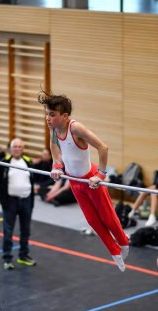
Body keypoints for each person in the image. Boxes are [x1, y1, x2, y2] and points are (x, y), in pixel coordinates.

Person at [38, 91, 129, 272]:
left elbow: (103, 147)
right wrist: (57, 165)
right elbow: (54, 145)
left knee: (107, 218)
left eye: (52, 115)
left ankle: (124, 241)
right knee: (92, 221)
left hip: (90, 180)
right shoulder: (54, 127)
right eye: (47, 114)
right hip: (74, 181)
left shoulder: (76, 128)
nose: (48, 118)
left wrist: (101, 175)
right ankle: (114, 251)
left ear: (65, 116)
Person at [0, 138, 36, 270]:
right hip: (10, 202)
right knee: (8, 231)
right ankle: (7, 258)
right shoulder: (4, 163)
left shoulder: (28, 162)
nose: (17, 149)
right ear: (10, 148)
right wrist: (3, 202)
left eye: (20, 146)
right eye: (15, 146)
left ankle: (23, 255)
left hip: (26, 201)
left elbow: (32, 179)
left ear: (23, 148)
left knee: (26, 231)